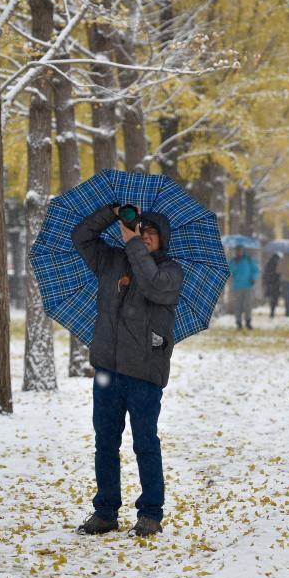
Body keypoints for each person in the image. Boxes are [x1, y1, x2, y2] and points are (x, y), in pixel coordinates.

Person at [71, 204, 184, 537]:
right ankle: (105, 512)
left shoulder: (171, 272)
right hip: (107, 369)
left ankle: (150, 513)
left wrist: (133, 244)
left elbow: (151, 285)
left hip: (145, 374)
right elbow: (81, 237)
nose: (143, 237)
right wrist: (113, 213)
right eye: (139, 231)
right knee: (105, 443)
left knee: (145, 443)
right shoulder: (111, 261)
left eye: (150, 234)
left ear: (162, 240)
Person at [228, 246, 259, 330]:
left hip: (248, 286)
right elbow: (230, 271)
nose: (239, 252)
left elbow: (256, 270)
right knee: (238, 305)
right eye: (237, 250)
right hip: (237, 286)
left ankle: (248, 322)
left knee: (248, 305)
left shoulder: (249, 260)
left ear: (243, 251)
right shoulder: (233, 261)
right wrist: (234, 265)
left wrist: (253, 278)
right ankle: (238, 322)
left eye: (240, 250)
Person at [263, 253, 282, 318]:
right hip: (273, 284)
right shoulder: (273, 265)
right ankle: (272, 311)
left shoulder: (270, 264)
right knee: (273, 299)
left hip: (272, 284)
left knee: (273, 299)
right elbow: (270, 275)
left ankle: (272, 311)